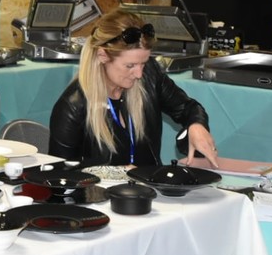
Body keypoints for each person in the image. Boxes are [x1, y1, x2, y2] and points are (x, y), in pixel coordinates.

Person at [48, 9, 219, 167]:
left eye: (143, 63)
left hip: (150, 187)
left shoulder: (150, 75)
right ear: (102, 56)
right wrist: (116, 176)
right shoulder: (72, 106)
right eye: (130, 65)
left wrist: (197, 125)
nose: (139, 74)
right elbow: (60, 175)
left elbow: (189, 108)